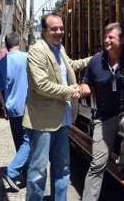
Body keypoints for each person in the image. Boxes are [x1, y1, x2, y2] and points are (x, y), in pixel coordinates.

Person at [23, 12, 91, 201]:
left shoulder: (59, 48)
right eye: (54, 29)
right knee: (38, 170)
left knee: (63, 168)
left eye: (61, 28)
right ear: (44, 31)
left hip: (63, 119)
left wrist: (95, 59)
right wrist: (71, 91)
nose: (59, 32)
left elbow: (71, 65)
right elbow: (41, 85)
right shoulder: (37, 50)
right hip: (43, 121)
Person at [81, 22, 124, 201]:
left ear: (123, 40)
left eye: (111, 37)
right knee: (97, 163)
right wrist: (84, 87)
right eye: (105, 37)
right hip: (104, 117)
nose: (106, 40)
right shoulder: (96, 62)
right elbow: (86, 82)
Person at [0, 33, 29, 192]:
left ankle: (26, 177)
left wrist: (3, 106)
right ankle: (13, 171)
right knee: (30, 142)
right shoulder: (28, 58)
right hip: (29, 108)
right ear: (19, 43)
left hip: (12, 108)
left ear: (7, 45)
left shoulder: (1, 64)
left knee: (20, 143)